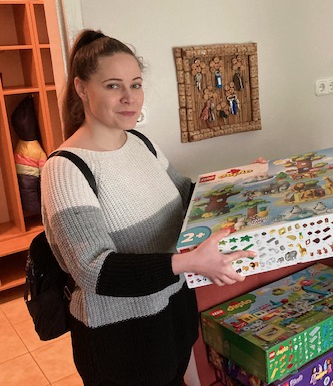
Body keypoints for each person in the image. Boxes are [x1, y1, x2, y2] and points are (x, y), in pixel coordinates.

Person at [41, 30, 256, 385]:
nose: (129, 98)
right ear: (81, 88)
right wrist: (189, 263)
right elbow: (94, 269)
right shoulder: (66, 169)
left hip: (173, 315)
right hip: (122, 341)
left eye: (136, 85)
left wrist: (246, 180)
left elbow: (188, 197)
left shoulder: (141, 142)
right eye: (113, 86)